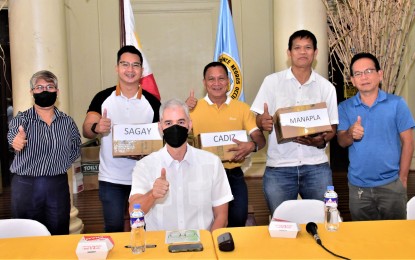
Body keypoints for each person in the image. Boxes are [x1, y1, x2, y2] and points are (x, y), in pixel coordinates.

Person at [251, 30, 339, 214]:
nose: (302, 52)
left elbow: (332, 126)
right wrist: (262, 121)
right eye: (297, 48)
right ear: (289, 52)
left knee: (323, 219)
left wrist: (321, 140)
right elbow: (257, 117)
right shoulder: (272, 82)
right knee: (281, 224)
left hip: (316, 167)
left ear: (315, 53)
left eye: (308, 48)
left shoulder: (326, 87)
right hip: (279, 168)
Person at [82, 45, 161, 232]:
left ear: (142, 71)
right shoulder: (102, 97)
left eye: (135, 65)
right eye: (125, 64)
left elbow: (159, 139)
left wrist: (144, 153)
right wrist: (97, 127)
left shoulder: (153, 102)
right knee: (114, 227)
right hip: (111, 178)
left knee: (143, 227)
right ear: (117, 68)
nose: (130, 70)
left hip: (144, 178)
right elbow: (86, 130)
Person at [129, 98, 233, 231]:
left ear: (190, 125)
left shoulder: (212, 163)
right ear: (160, 128)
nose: (175, 127)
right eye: (168, 123)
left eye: (181, 122)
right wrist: (152, 195)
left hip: (202, 245)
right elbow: (133, 211)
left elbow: (222, 217)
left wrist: (209, 245)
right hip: (160, 248)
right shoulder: (144, 166)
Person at [185, 61, 266, 227]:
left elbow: (259, 138)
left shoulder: (242, 108)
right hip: (201, 175)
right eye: (211, 79)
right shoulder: (192, 109)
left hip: (233, 174)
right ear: (204, 82)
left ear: (229, 81)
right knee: (202, 223)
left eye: (221, 78)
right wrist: (183, 111)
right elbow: (175, 138)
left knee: (238, 219)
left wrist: (252, 145)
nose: (216, 83)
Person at [337, 52, 414, 221]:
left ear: (380, 74)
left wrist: (403, 178)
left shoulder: (396, 104)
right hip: (358, 187)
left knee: (395, 239)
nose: (364, 77)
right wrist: (350, 133)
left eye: (369, 71)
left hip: (391, 184)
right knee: (363, 240)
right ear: (352, 80)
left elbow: (408, 142)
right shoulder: (345, 107)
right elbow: (341, 141)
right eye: (358, 74)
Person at [7, 70, 81, 235]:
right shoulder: (21, 120)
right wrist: (16, 142)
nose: (45, 91)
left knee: (58, 232)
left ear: (57, 91)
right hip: (26, 186)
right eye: (39, 87)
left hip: (57, 185)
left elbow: (76, 147)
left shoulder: (67, 122)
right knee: (27, 235)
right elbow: (13, 138)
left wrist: (60, 163)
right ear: (32, 92)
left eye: (50, 86)